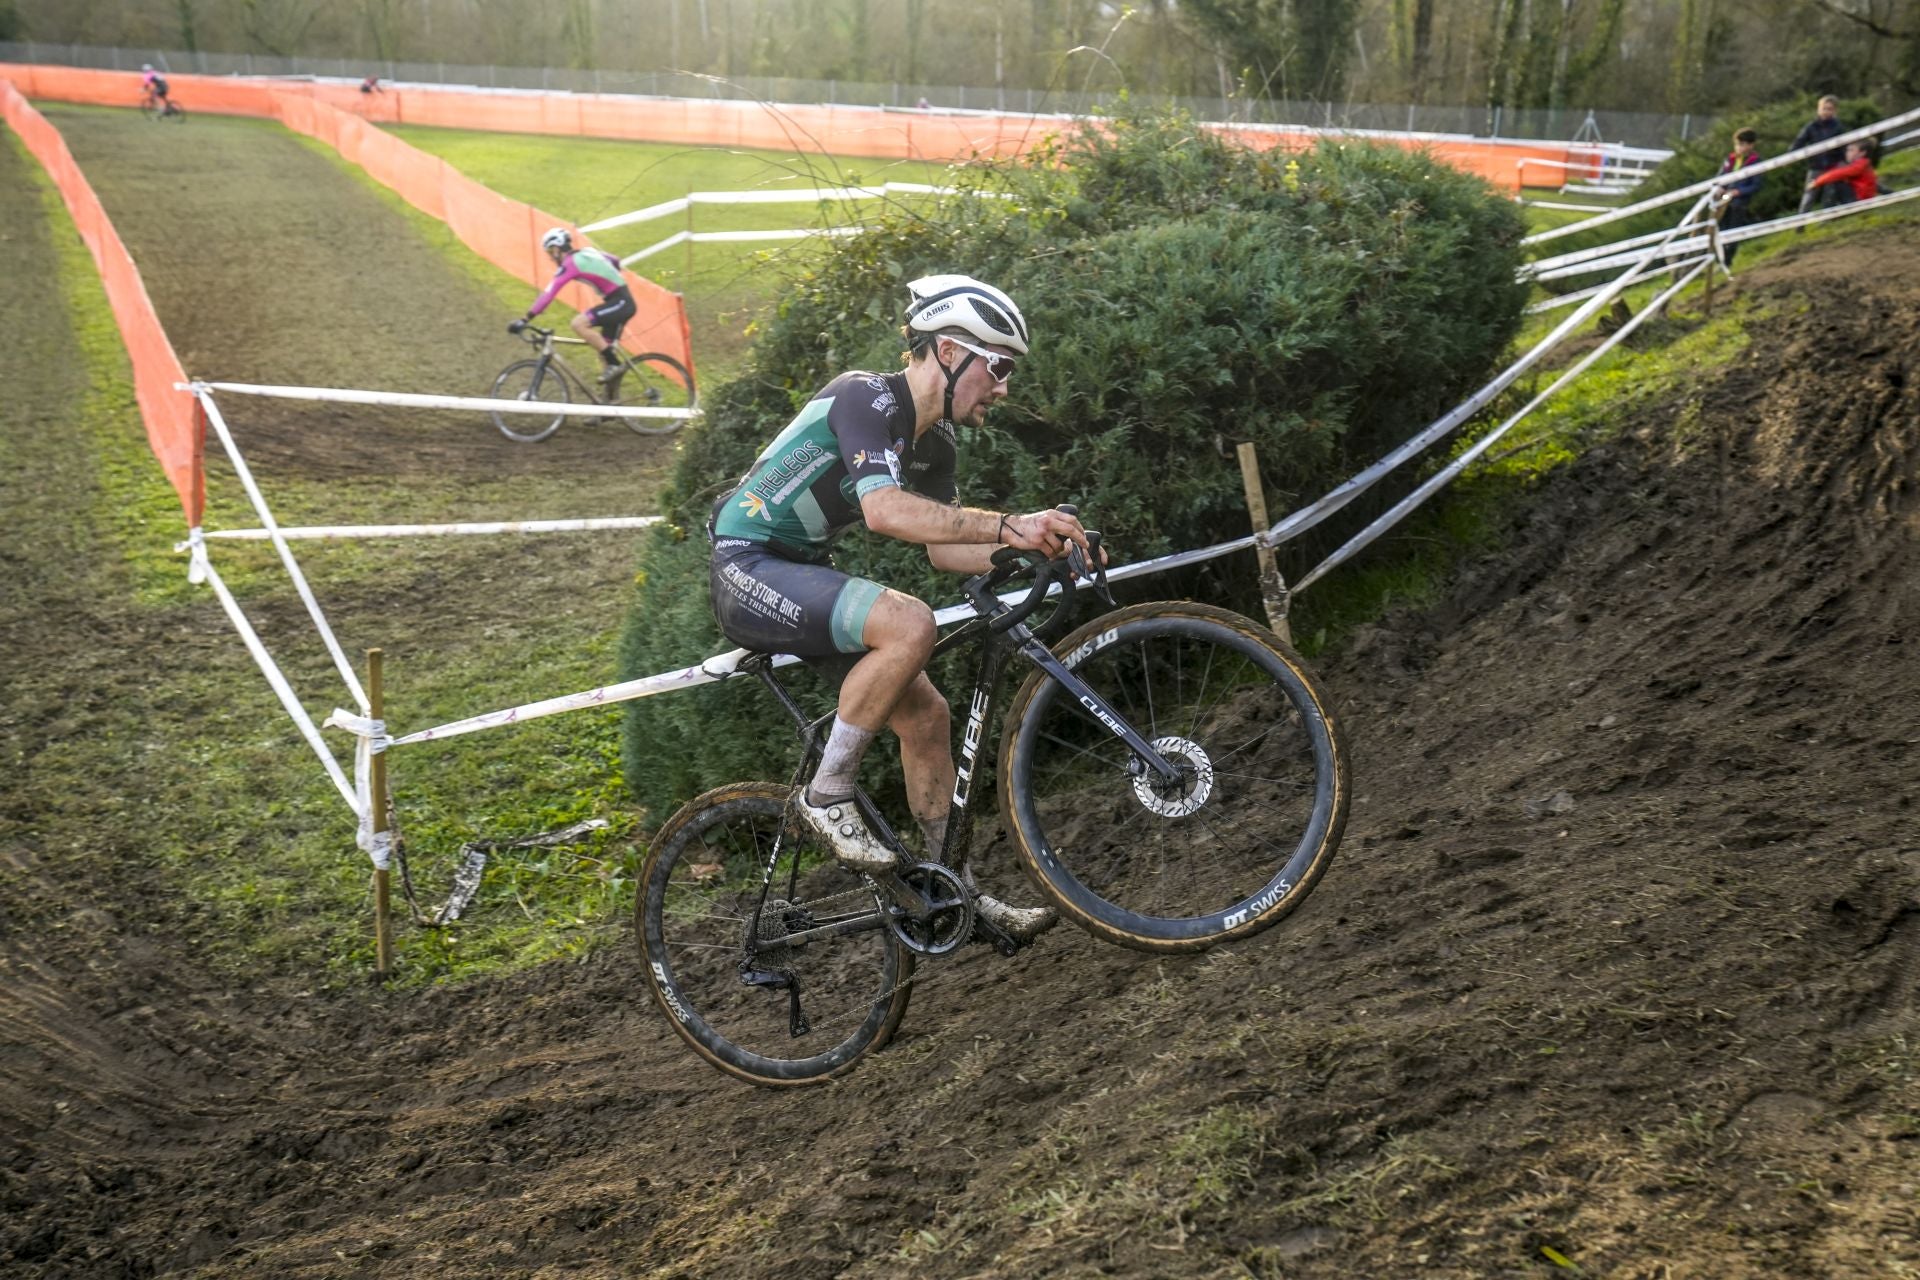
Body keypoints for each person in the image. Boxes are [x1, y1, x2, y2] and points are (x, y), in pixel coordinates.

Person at [706, 275, 1095, 941]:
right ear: (949, 352)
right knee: (909, 621)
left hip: (798, 570)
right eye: (998, 367)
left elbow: (944, 548)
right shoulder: (865, 397)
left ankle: (957, 894)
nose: (1004, 387)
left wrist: (1038, 550)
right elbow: (885, 512)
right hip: (748, 565)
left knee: (926, 717)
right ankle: (827, 794)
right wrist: (1009, 524)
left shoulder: (934, 441)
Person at [507, 228, 635, 391]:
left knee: (578, 324)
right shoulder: (588, 252)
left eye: (549, 252)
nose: (550, 257)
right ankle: (608, 409)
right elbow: (615, 260)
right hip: (620, 300)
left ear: (556, 249)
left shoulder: (569, 264)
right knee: (603, 355)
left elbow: (549, 293)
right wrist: (609, 276)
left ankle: (614, 363)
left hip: (620, 302)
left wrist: (525, 319)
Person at [1712, 128, 1763, 267]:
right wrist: (1719, 186)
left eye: (1742, 144)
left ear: (1751, 145)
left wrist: (1739, 192)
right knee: (1720, 228)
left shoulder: (1756, 161)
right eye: (1737, 144)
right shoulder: (1730, 159)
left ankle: (1727, 261)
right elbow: (1720, 176)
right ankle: (1719, 259)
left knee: (1733, 230)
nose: (1739, 148)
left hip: (1739, 202)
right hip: (1723, 200)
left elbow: (1756, 185)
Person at [1793, 96, 1848, 215]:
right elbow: (1799, 141)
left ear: (1835, 111)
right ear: (1818, 109)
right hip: (1815, 165)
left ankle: (1826, 220)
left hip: (1833, 164)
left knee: (1830, 194)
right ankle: (1800, 222)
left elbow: (1844, 145)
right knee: (1809, 194)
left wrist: (1844, 162)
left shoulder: (1838, 126)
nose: (1826, 112)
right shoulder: (1811, 126)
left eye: (1830, 109)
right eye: (1824, 108)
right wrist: (1790, 155)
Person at [1809, 139, 1879, 205]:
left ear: (1862, 153)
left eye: (1851, 150)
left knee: (1833, 181)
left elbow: (1838, 174)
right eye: (1847, 150)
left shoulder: (1860, 165)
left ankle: (1830, 212)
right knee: (1835, 178)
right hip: (1861, 198)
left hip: (1860, 201)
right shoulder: (1863, 164)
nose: (1847, 153)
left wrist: (1817, 182)